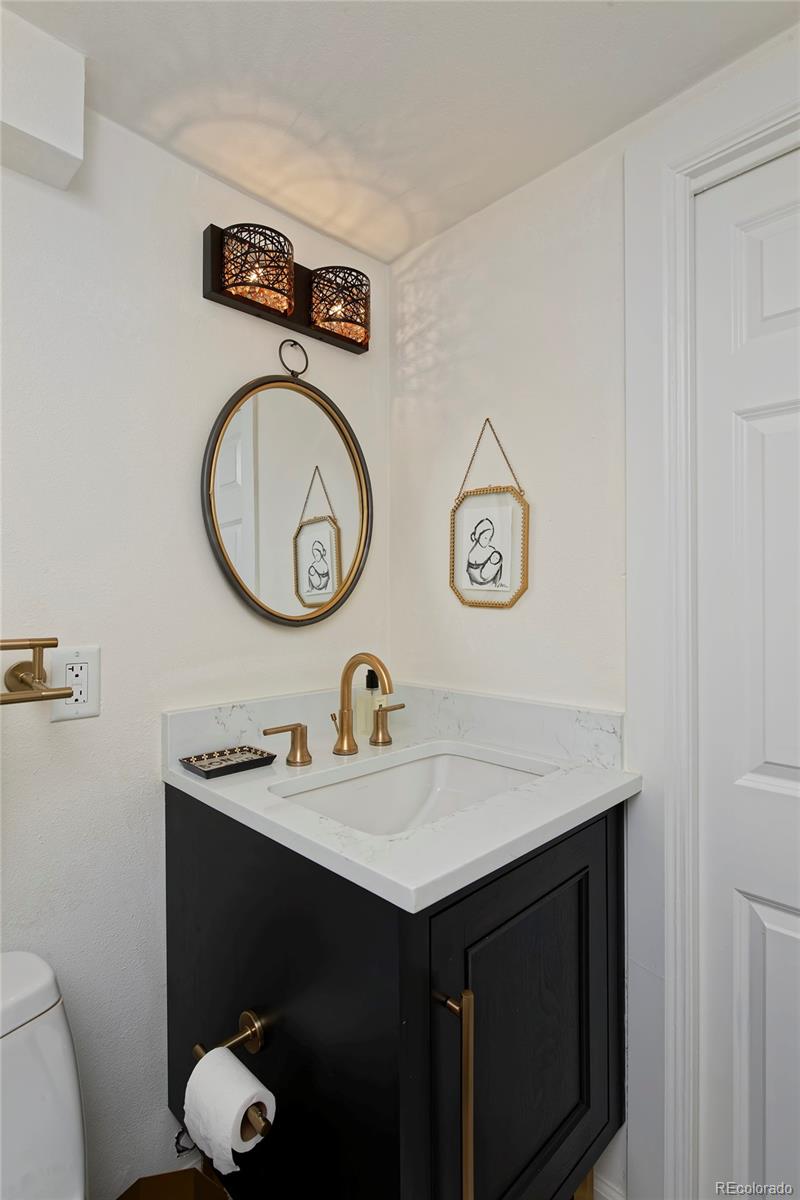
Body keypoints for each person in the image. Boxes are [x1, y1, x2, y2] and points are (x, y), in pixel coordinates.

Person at [466, 517, 503, 586]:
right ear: (478, 535)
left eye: (490, 538)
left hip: (490, 584)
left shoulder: (492, 551)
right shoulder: (471, 553)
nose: (488, 541)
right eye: (485, 537)